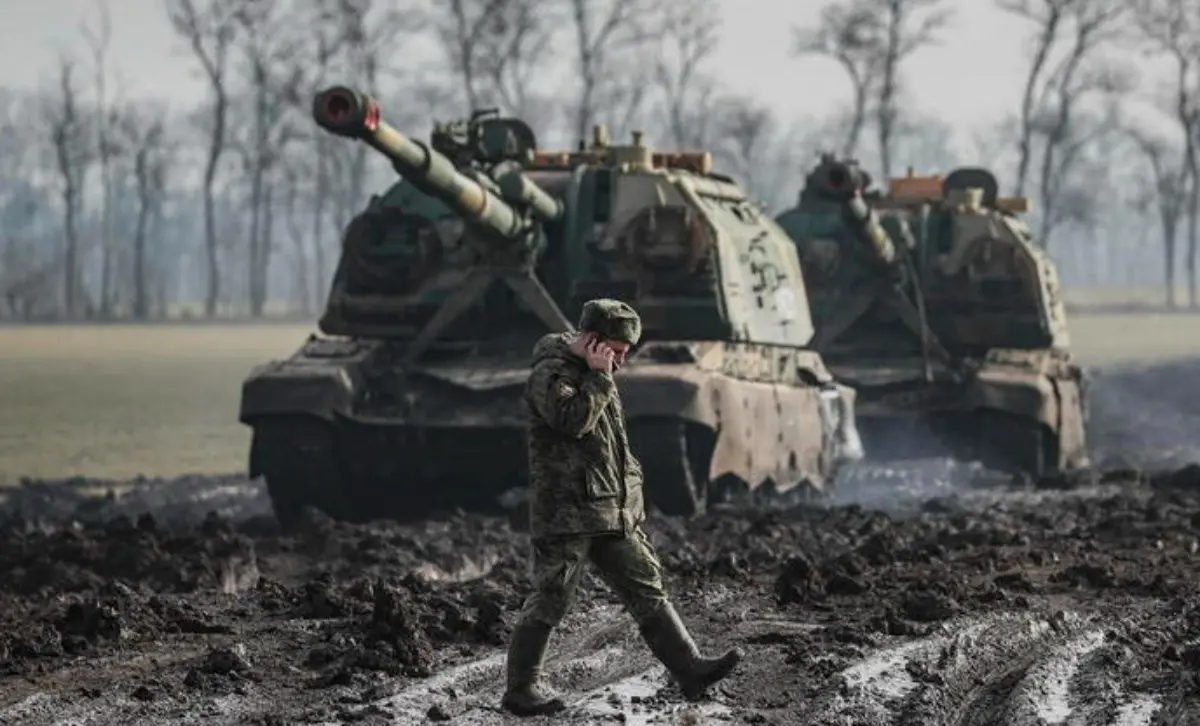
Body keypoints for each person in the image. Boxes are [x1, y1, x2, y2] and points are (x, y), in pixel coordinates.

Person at [501, 298, 742, 717]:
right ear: (593, 341)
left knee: (645, 583)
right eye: (617, 350)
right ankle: (521, 689)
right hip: (569, 511)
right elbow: (571, 421)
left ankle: (689, 668)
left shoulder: (599, 372)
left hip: (609, 508)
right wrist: (598, 379)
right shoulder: (552, 373)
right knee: (553, 594)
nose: (623, 359)